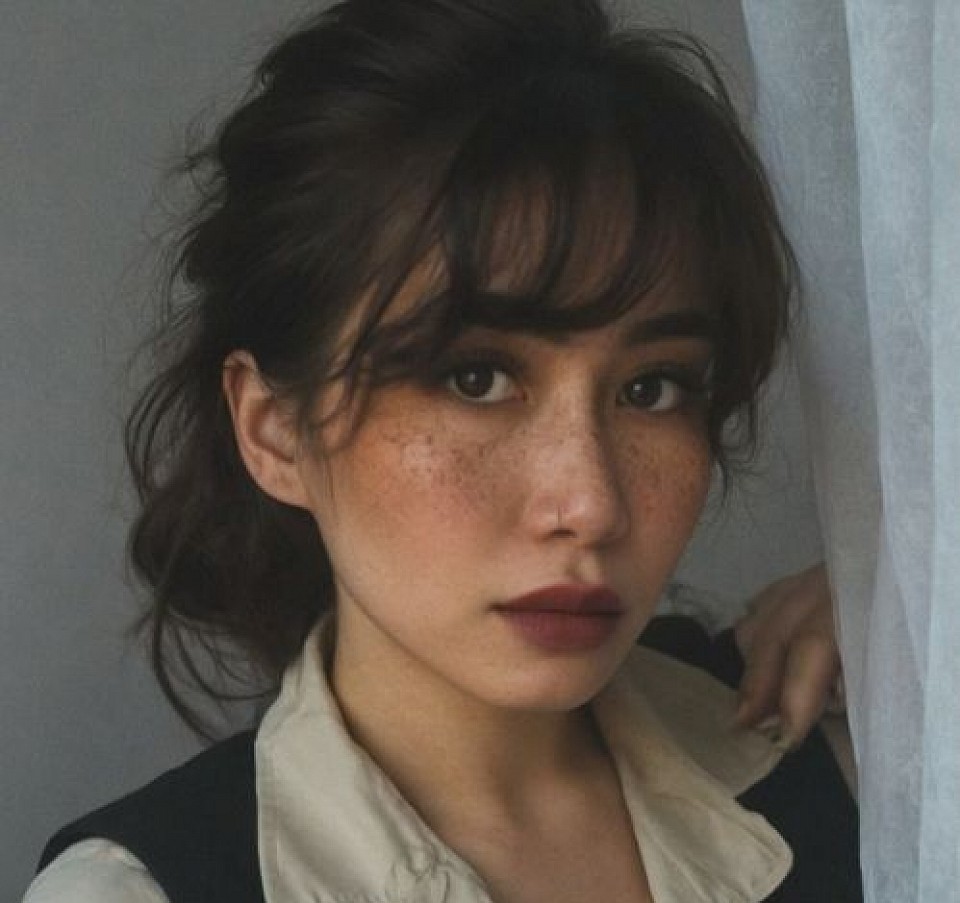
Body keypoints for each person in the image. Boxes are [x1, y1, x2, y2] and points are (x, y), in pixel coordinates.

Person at [25, 1, 860, 901]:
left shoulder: (849, 757)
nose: (589, 501)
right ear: (274, 430)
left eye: (651, 388)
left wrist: (915, 606)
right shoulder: (141, 890)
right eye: (476, 379)